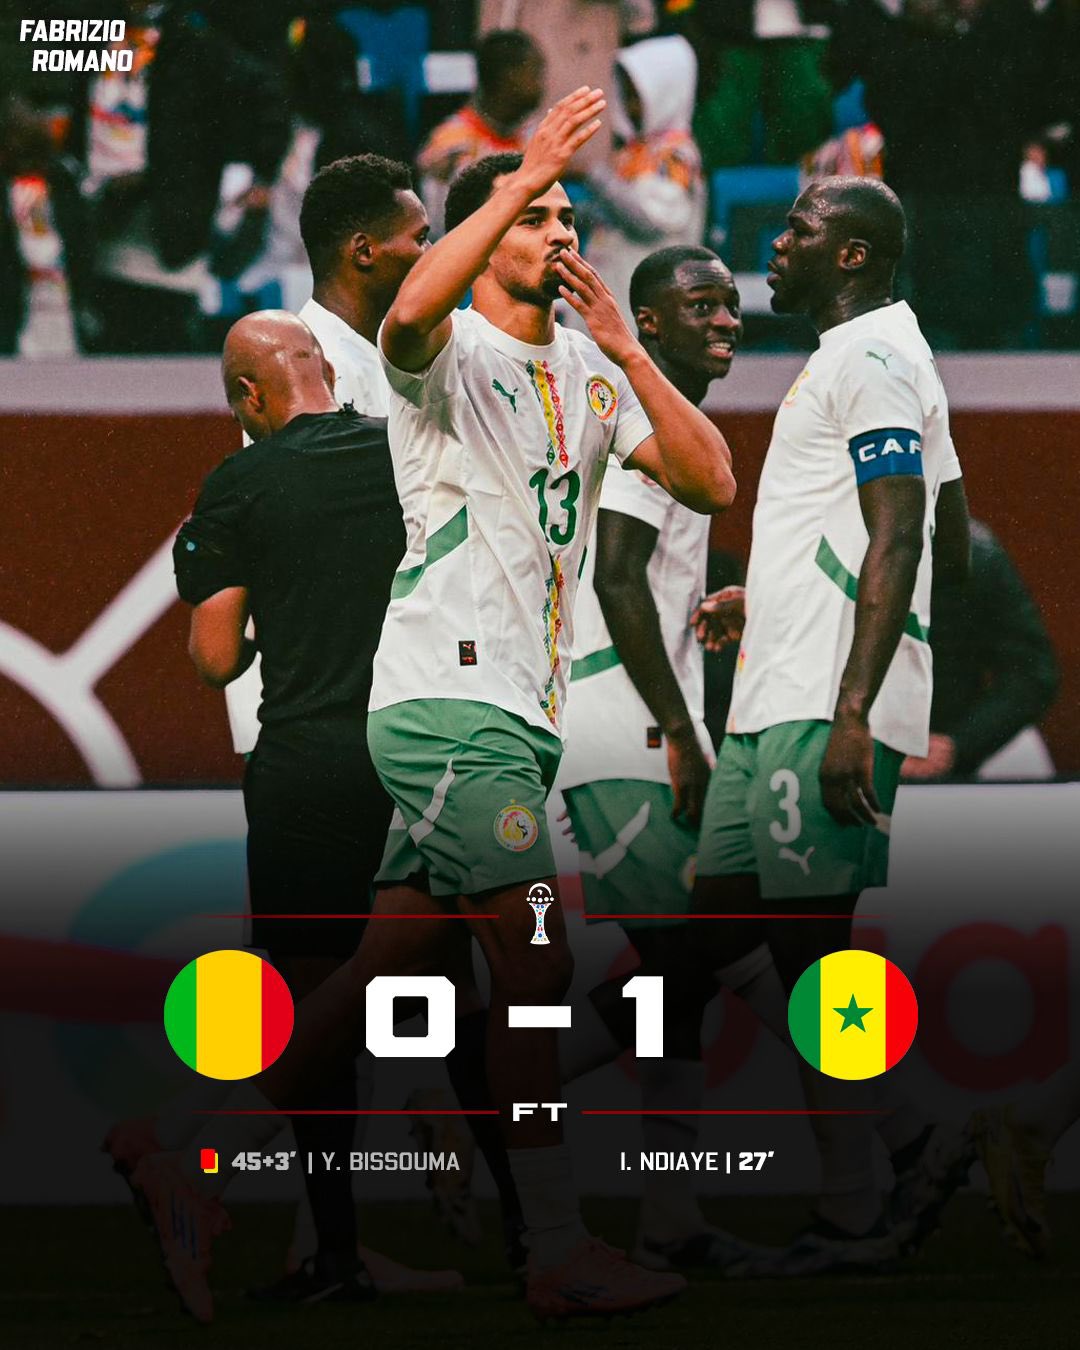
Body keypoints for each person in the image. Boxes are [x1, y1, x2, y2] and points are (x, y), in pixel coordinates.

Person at [134, 87, 735, 1323]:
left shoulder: (588, 371)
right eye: (535, 217)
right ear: (487, 231)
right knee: (535, 953)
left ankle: (188, 1151)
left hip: (514, 711)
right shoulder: (445, 356)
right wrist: (518, 176)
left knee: (377, 970)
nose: (560, 234)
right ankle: (557, 1246)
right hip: (447, 702)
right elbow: (408, 311)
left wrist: (628, 351)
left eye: (568, 216)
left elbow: (713, 481)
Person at [689, 175, 972, 1273]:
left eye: (798, 229)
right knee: (716, 937)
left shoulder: (876, 357)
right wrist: (772, 599)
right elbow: (937, 530)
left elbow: (903, 533)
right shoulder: (868, 355)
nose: (776, 243)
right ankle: (907, 1138)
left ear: (851, 255)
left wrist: (858, 706)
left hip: (821, 700)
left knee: (812, 948)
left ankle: (861, 1205)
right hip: (782, 686)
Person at [556, 243, 745, 1269]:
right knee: (697, 959)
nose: (725, 319)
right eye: (700, 304)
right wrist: (678, 729)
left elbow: (638, 572)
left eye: (729, 303)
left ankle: (672, 1217)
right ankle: (477, 1103)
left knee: (682, 979)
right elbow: (618, 578)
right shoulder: (642, 412)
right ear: (651, 324)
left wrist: (707, 604)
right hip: (627, 728)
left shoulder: (660, 412)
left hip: (639, 719)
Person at [901, 519, 1059, 782]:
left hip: (954, 739)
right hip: (848, 740)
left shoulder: (977, 555)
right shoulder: (830, 550)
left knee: (1025, 763)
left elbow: (1033, 672)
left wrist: (960, 744)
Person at [579, 35, 707, 321]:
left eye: (638, 96)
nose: (631, 107)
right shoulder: (632, 152)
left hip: (645, 305)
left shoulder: (676, 156)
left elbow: (650, 219)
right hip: (613, 291)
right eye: (626, 96)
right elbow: (609, 216)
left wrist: (592, 176)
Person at [417, 30, 545, 234]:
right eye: (535, 72)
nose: (542, 84)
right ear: (510, 76)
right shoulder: (452, 142)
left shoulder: (529, 136)